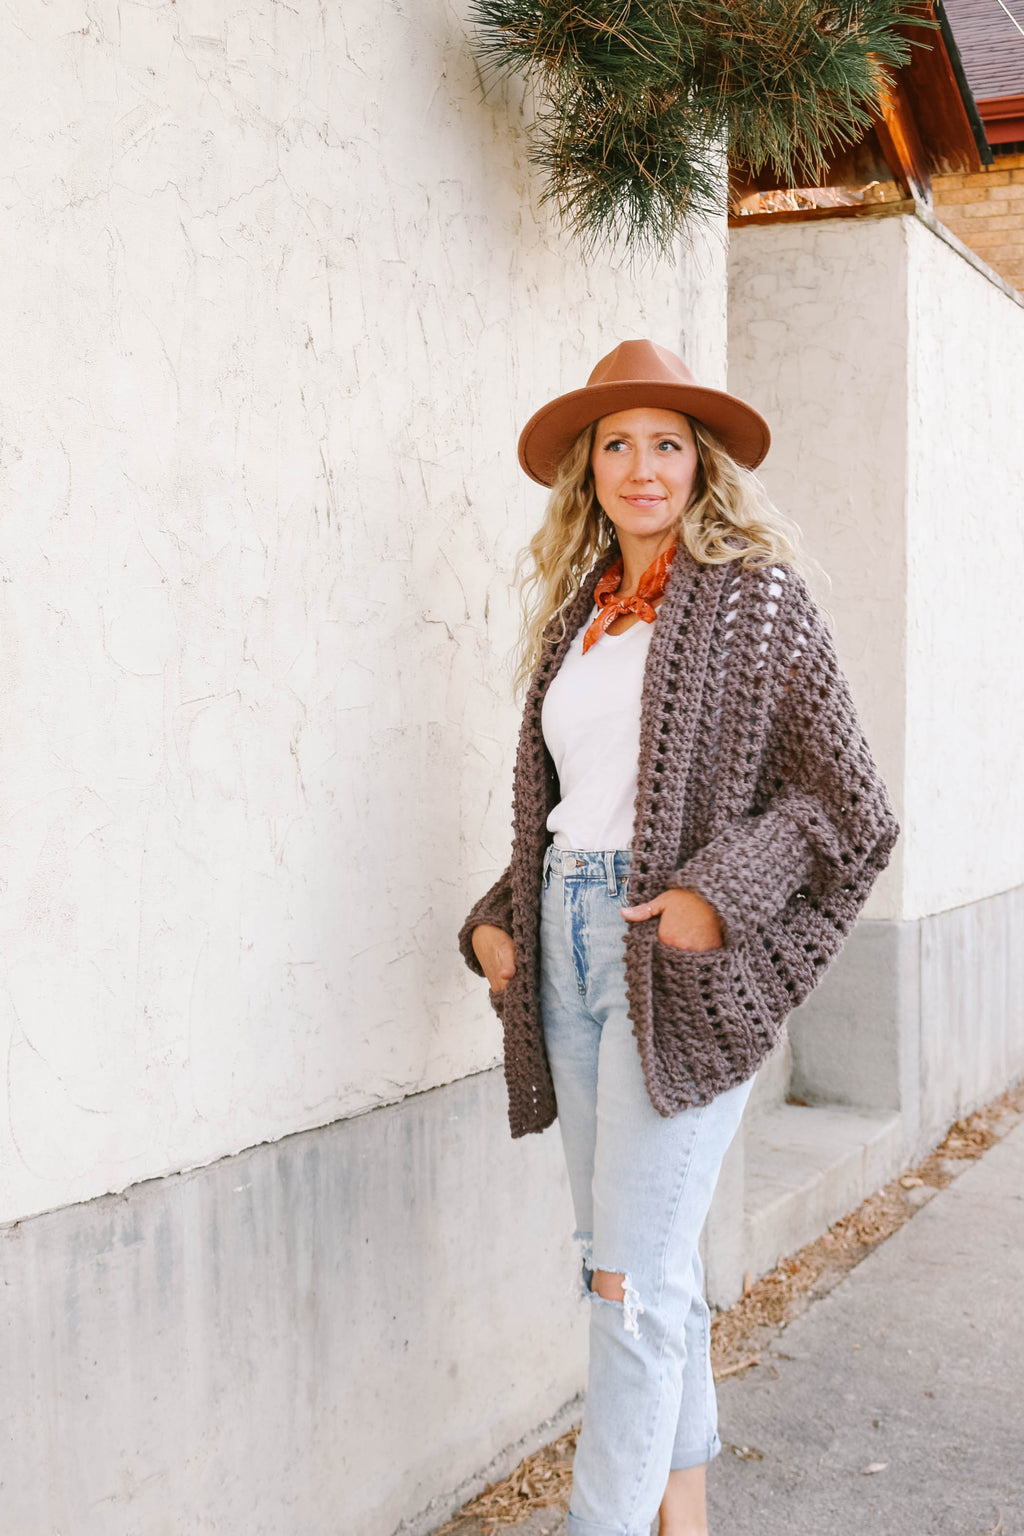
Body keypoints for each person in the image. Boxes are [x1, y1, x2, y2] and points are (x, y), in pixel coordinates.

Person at [457, 339, 898, 1536]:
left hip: (671, 963)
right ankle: (683, 1514)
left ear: (700, 465)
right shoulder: (582, 617)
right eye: (617, 444)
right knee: (629, 1260)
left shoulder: (757, 601)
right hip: (564, 949)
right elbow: (579, 806)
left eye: (666, 443)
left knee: (629, 1283)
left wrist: (716, 896)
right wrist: (500, 920)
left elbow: (846, 807)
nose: (641, 466)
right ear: (587, 471)